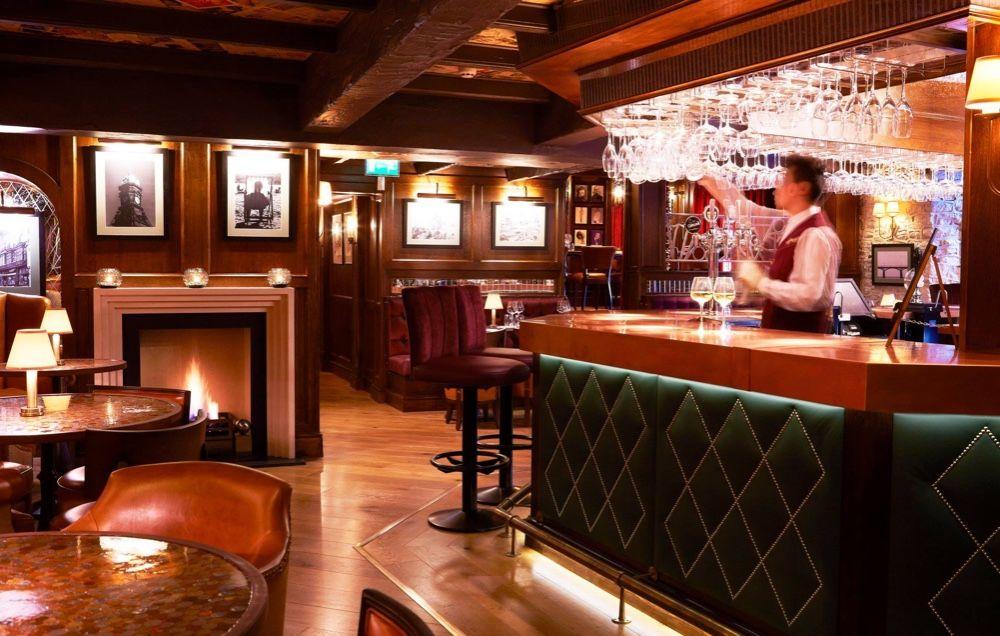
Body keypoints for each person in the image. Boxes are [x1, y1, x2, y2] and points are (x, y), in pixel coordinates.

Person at [700, 154, 842, 334]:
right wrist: (709, 177)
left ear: (802, 188)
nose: (776, 188)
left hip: (798, 343)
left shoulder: (814, 233)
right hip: (780, 337)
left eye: (783, 181)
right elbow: (743, 207)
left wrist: (760, 282)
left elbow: (810, 296)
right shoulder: (788, 223)